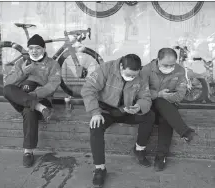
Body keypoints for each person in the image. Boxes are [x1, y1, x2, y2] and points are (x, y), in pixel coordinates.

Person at [81, 54, 155, 187]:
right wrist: (95, 112)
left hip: (127, 109)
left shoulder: (141, 75)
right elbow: (88, 89)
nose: (132, 78)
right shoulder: (106, 68)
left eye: (134, 76)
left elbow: (146, 97)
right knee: (95, 127)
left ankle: (139, 149)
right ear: (121, 66)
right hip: (105, 110)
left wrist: (138, 106)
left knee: (149, 116)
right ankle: (100, 168)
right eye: (129, 75)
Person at [3, 34, 61, 168]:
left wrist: (35, 94)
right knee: (7, 90)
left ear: (44, 49)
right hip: (22, 98)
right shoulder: (21, 63)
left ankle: (28, 152)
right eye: (31, 48)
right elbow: (8, 83)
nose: (34, 51)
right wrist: (22, 73)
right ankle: (39, 107)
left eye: (37, 48)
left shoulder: (53, 64)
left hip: (41, 99)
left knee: (29, 111)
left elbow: (52, 85)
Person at [141, 48, 199, 171]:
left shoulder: (180, 71)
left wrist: (164, 97)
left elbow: (179, 95)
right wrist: (158, 94)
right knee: (161, 101)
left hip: (169, 108)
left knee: (165, 117)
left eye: (172, 65)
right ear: (158, 60)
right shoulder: (146, 70)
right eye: (165, 65)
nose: (169, 67)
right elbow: (141, 93)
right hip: (149, 107)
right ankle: (185, 132)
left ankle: (161, 156)